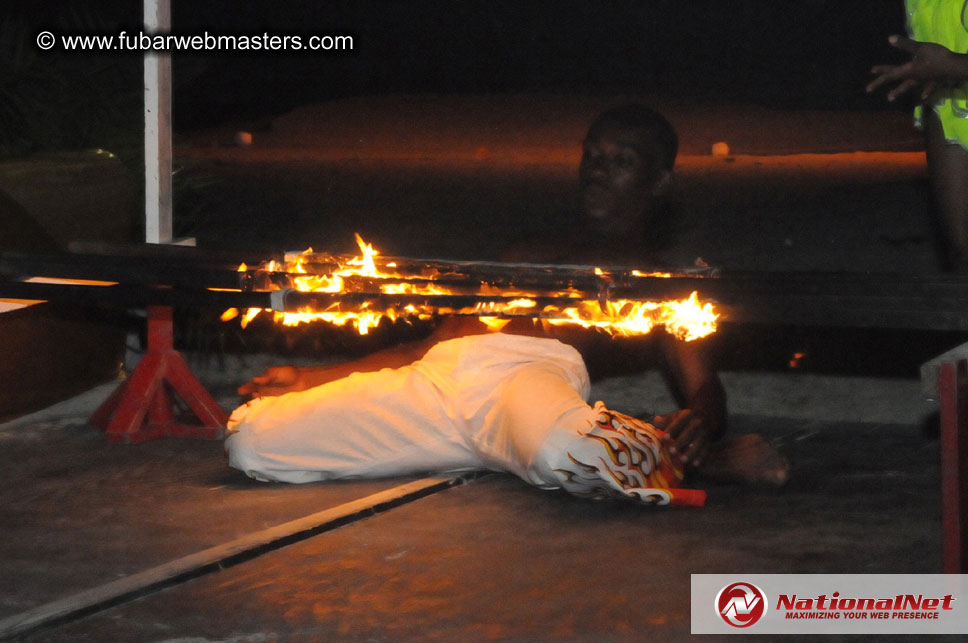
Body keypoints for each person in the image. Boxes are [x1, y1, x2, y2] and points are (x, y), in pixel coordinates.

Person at [229, 105, 789, 501]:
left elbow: (702, 386)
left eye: (621, 161)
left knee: (568, 452)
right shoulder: (528, 250)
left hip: (528, 384)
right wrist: (312, 378)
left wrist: (702, 431)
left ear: (660, 181)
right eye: (592, 155)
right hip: (440, 385)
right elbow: (434, 344)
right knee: (254, 439)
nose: (597, 168)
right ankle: (490, 452)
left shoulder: (658, 277)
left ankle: (703, 467)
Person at [867, 1, 968, 272]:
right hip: (948, 101)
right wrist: (929, 67)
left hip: (952, 73)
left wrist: (954, 65)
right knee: (961, 252)